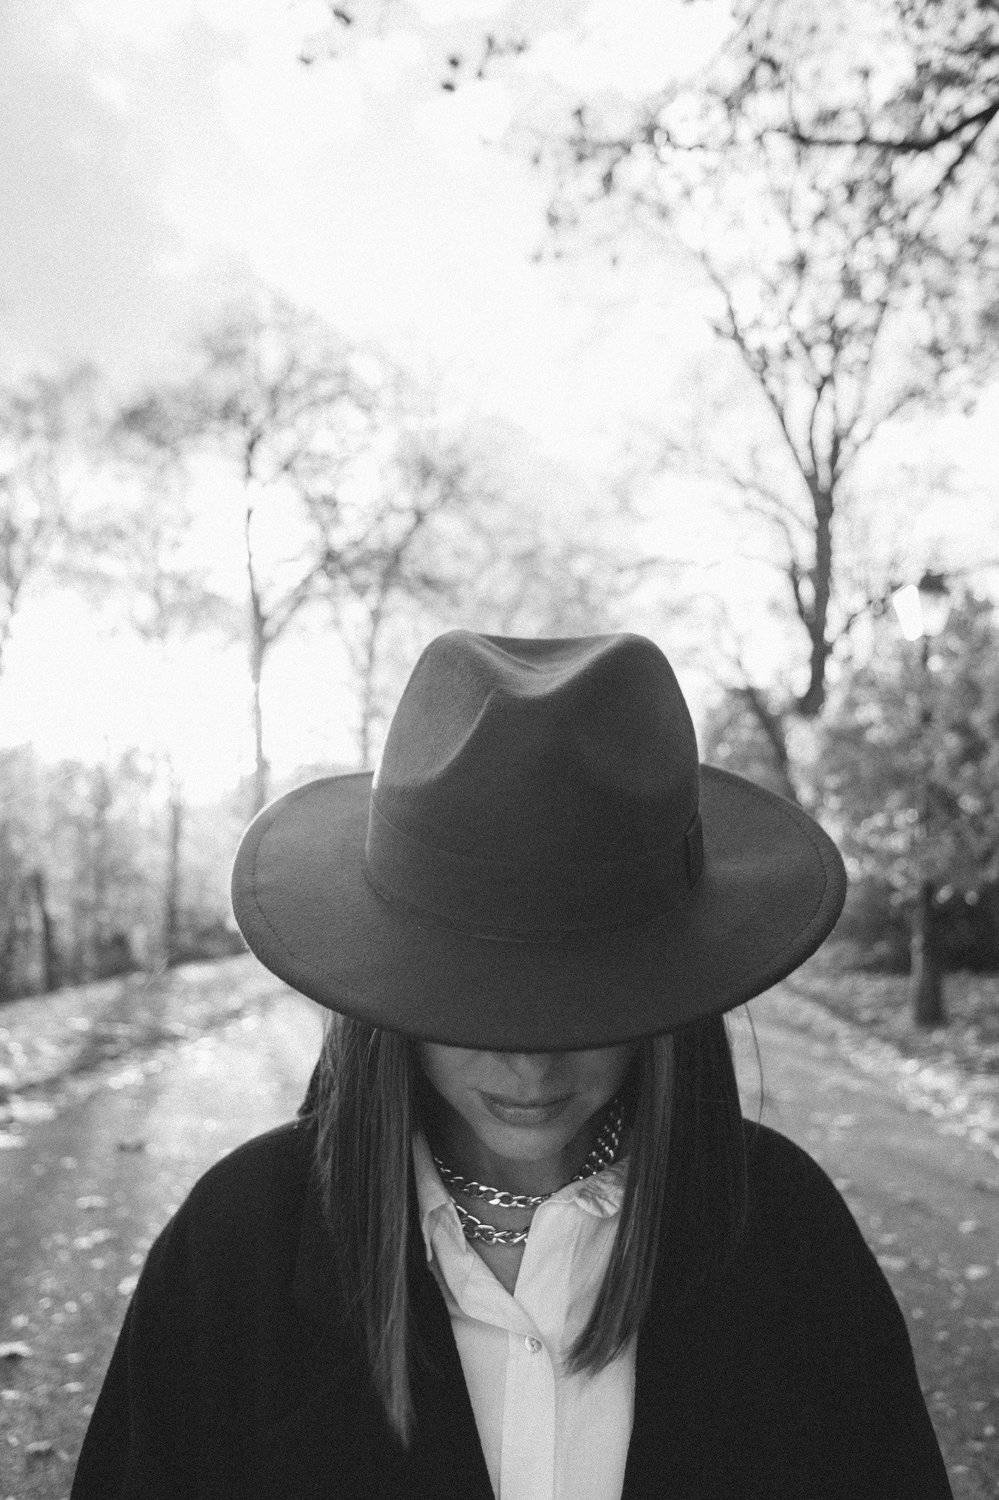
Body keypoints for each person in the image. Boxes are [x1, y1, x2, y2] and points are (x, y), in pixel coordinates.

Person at [72, 629, 953, 1499]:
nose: (530, 1071)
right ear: (390, 997)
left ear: (669, 999)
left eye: (589, 1006)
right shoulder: (238, 1251)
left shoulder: (787, 1240)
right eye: (472, 1005)